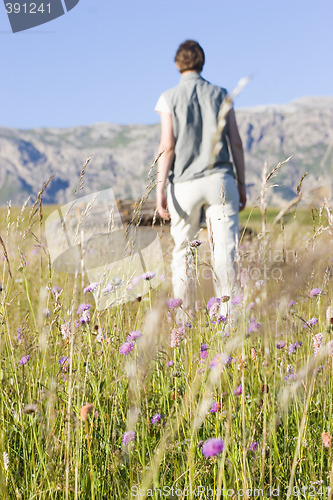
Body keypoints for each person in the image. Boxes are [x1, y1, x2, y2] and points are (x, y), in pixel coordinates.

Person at [155, 40, 246, 313]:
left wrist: (160, 189)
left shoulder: (168, 98)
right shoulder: (221, 94)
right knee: (225, 253)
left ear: (177, 64)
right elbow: (236, 142)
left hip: (183, 183)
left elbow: (167, 146)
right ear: (202, 62)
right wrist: (241, 184)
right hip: (220, 178)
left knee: (183, 253)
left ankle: (184, 323)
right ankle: (229, 320)